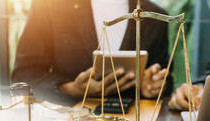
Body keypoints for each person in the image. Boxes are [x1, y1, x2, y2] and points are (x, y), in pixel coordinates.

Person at [12, 0, 172, 104]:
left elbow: (167, 79)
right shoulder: (51, 5)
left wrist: (154, 86)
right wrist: (69, 88)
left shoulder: (156, 16)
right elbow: (24, 73)